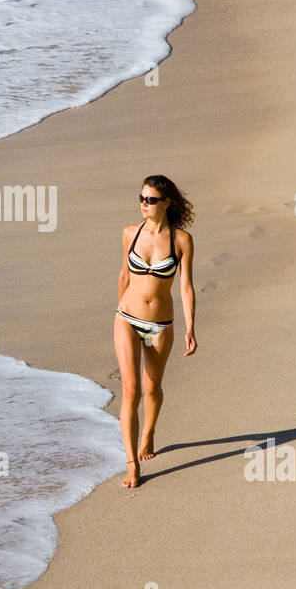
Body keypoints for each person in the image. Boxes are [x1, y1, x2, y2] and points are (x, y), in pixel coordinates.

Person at [114, 175, 197, 486]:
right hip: (127, 318)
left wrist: (191, 326)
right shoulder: (129, 233)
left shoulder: (181, 240)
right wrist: (117, 310)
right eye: (141, 198)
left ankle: (148, 433)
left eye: (150, 200)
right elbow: (124, 273)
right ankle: (132, 463)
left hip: (159, 325)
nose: (143, 205)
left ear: (167, 202)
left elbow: (186, 287)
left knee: (152, 388)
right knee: (131, 390)